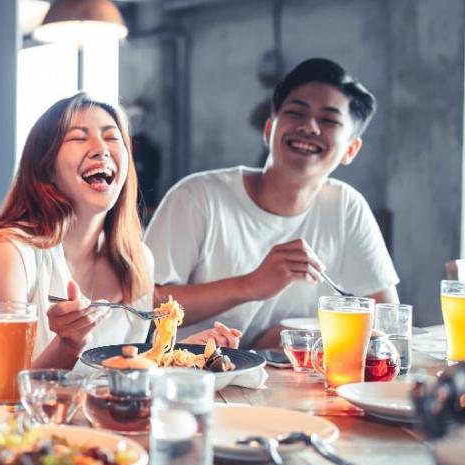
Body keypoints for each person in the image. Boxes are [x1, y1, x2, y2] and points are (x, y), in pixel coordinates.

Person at [0, 93, 240, 396]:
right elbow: (8, 395)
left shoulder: (137, 260)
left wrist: (178, 357)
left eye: (111, 137)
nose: (101, 150)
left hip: (103, 429)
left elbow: (114, 375)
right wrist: (67, 345)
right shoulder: (9, 253)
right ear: (47, 167)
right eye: (79, 138)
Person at [144, 58, 399, 350]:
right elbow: (145, 306)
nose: (309, 127)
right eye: (295, 112)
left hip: (296, 388)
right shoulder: (197, 196)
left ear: (350, 149)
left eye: (329, 120)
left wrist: (291, 336)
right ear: (269, 130)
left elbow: (384, 319)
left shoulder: (346, 206)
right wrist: (250, 285)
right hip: (194, 380)